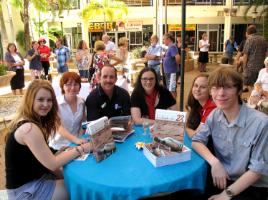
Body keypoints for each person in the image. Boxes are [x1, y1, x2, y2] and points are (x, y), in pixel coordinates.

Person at [5, 79, 91, 200]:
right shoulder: (29, 128)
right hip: (27, 191)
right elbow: (52, 164)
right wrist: (82, 149)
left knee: (72, 179)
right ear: (30, 100)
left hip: (37, 179)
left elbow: (42, 158)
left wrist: (61, 152)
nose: (46, 104)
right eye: (40, 99)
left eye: (49, 100)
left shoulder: (31, 121)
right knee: (81, 188)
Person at [192, 67, 268, 200]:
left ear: (238, 90)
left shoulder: (261, 123)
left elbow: (256, 170)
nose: (221, 93)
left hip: (252, 186)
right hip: (222, 176)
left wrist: (226, 195)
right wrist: (215, 163)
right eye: (215, 88)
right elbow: (197, 140)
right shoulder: (215, 115)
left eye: (227, 87)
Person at [49, 72, 87, 150]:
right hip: (58, 145)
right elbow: (58, 127)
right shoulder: (55, 103)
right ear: (62, 86)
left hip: (76, 144)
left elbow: (83, 124)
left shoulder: (82, 102)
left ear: (79, 87)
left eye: (76, 84)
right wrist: (75, 140)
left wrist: (81, 138)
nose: (72, 88)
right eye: (68, 84)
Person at [243, 25, 268, 93]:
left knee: (251, 86)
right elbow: (266, 54)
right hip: (261, 67)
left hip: (251, 68)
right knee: (259, 85)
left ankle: (253, 100)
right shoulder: (263, 39)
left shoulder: (249, 40)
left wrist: (244, 67)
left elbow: (245, 55)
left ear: (247, 32)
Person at [163, 33, 180, 98]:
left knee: (172, 89)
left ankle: (173, 105)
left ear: (168, 39)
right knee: (171, 88)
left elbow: (177, 57)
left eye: (164, 39)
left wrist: (176, 67)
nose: (163, 41)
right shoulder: (170, 47)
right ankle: (172, 103)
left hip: (172, 72)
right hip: (170, 72)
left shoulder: (172, 46)